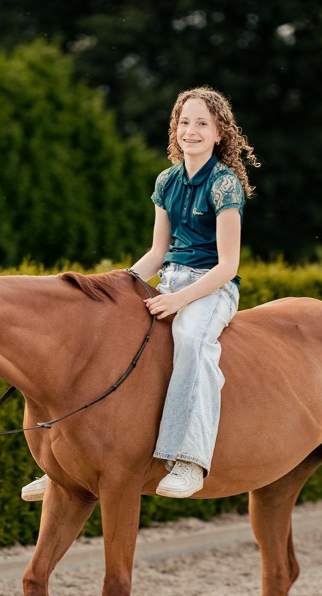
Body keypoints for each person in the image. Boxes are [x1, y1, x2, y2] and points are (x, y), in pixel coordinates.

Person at [22, 85, 259, 501]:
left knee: (190, 340)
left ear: (220, 132)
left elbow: (228, 266)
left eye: (202, 123)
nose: (192, 130)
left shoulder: (225, 186)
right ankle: (65, 465)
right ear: (175, 128)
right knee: (105, 336)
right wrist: (113, 286)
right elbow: (157, 251)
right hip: (168, 281)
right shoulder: (166, 180)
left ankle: (190, 459)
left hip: (211, 289)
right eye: (185, 122)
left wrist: (178, 300)